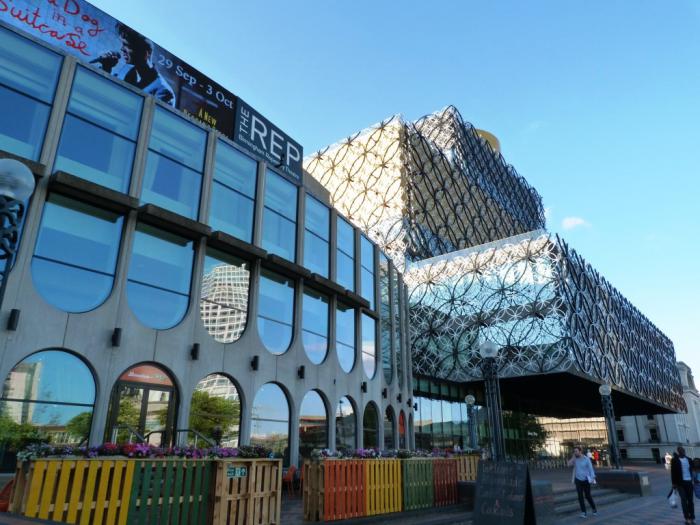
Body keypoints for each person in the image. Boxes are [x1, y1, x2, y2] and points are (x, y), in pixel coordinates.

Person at [91, 23, 176, 106]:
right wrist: (106, 67)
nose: (122, 49)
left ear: (145, 53)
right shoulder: (126, 71)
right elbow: (105, 93)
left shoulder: (163, 91)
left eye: (126, 45)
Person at [568, 446, 597, 518]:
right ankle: (583, 512)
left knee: (588, 496)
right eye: (574, 451)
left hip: (586, 480)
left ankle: (594, 508)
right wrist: (572, 458)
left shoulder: (586, 459)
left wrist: (592, 477)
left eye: (576, 451)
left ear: (580, 451)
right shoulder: (575, 459)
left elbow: (590, 469)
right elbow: (568, 464)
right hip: (578, 480)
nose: (575, 453)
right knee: (580, 496)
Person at [671, 446, 696, 524]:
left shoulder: (689, 459)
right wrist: (673, 483)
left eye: (683, 450)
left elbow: (694, 469)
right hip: (680, 483)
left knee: (690, 501)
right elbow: (673, 472)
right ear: (678, 452)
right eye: (681, 451)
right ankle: (687, 518)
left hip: (689, 482)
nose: (682, 452)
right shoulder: (674, 460)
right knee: (684, 500)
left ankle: (692, 517)